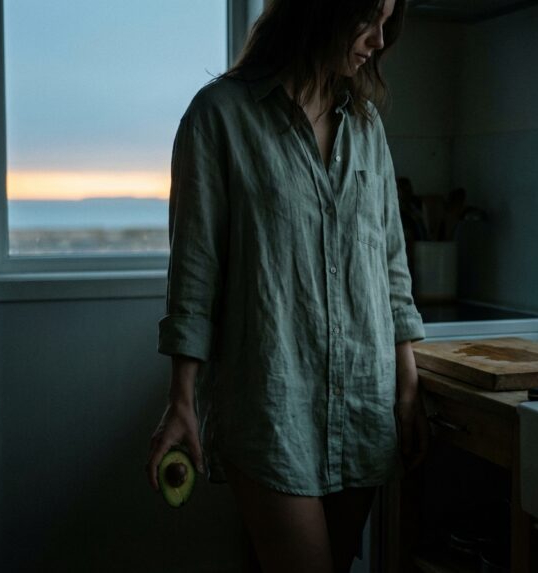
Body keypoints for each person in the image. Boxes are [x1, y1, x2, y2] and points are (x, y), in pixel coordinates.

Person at [146, 0, 429, 571]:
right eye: (366, 18)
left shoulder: (367, 127)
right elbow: (194, 276)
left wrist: (407, 384)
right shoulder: (218, 117)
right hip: (272, 407)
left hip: (364, 405)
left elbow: (392, 265)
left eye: (386, 23)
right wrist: (181, 399)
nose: (378, 40)